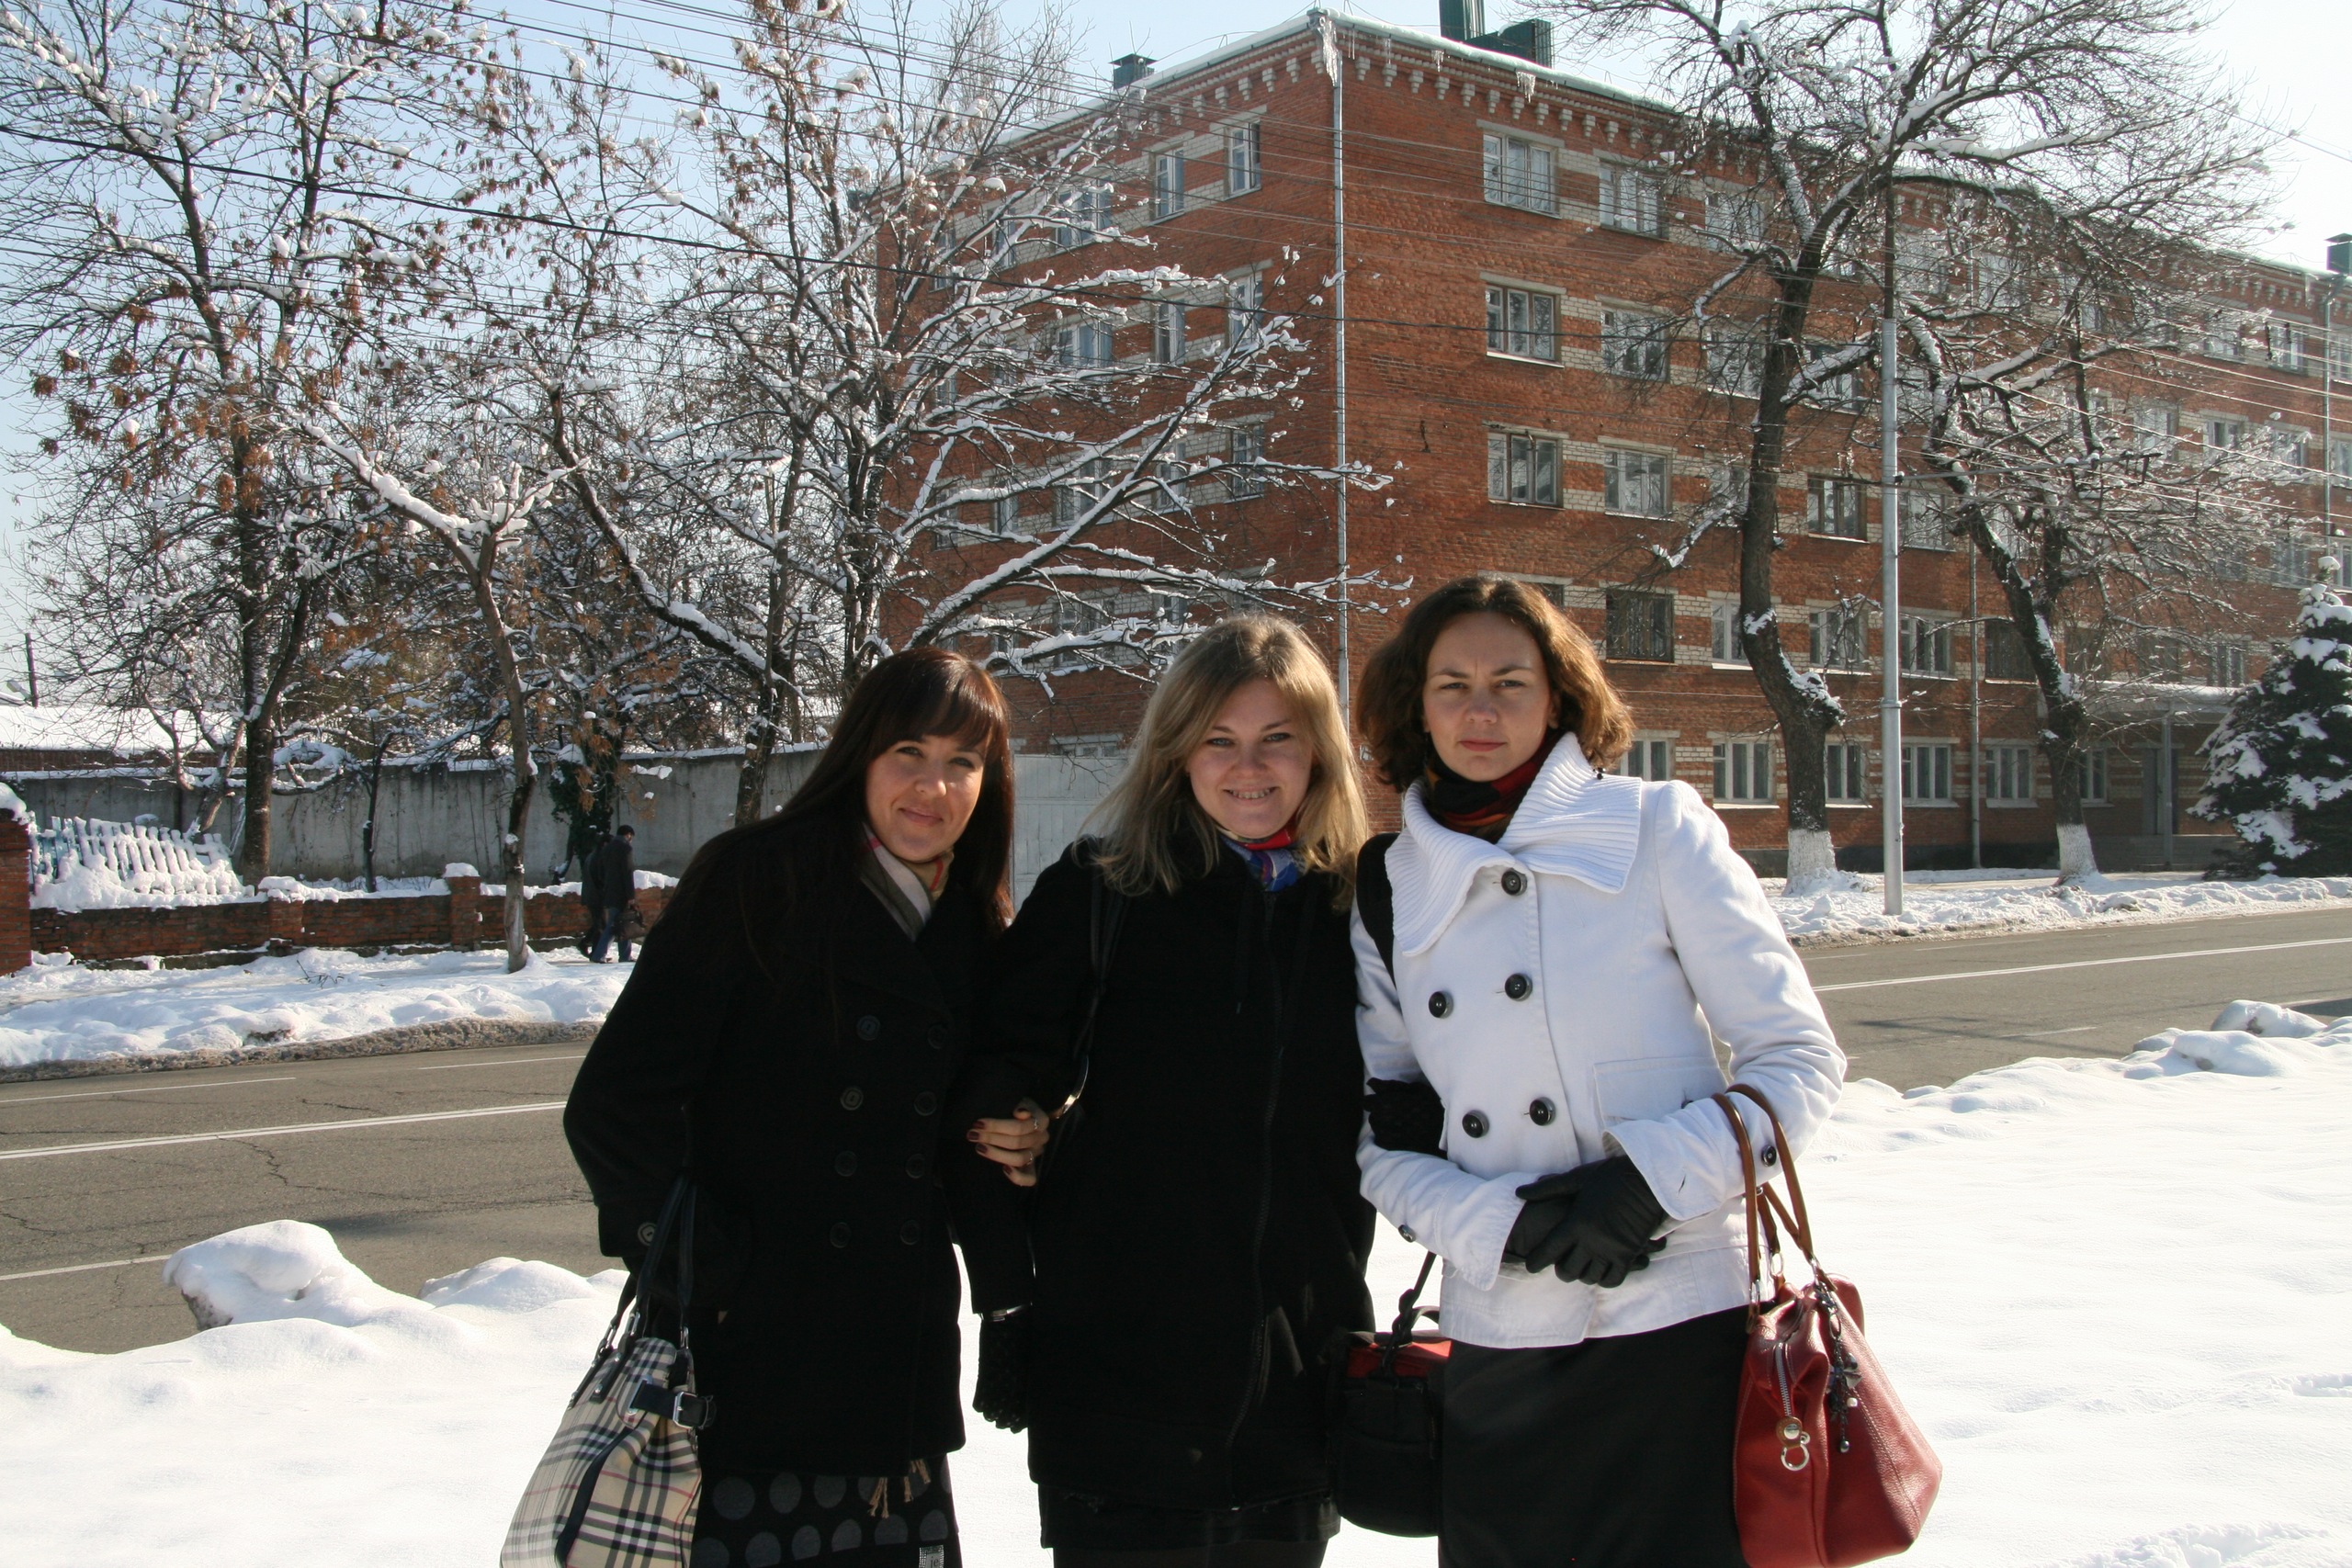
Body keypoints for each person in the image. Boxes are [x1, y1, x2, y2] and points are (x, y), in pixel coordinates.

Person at [1351, 574, 1846, 1568]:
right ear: (1416, 705)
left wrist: (1648, 1183)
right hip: (1501, 1342)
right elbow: (1384, 1129)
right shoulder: (1389, 883)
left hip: (1681, 1330)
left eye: (1510, 682)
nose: (1481, 711)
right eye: (1451, 685)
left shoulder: (1657, 826)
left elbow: (1798, 1060)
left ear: (1559, 697)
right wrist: (1493, 1222)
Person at [563, 649, 1046, 1568]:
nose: (933, 787)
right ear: (861, 754)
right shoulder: (757, 881)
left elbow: (955, 1134)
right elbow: (614, 1104)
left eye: (963, 762)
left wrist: (1024, 1143)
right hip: (744, 1367)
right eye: (909, 752)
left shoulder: (975, 926)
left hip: (893, 1370)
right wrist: (712, 1268)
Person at [950, 616, 1375, 1568]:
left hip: (1296, 1383)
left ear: (1319, 750)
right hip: (1119, 1383)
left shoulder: (1364, 908)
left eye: (1277, 738)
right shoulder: (1104, 890)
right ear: (1177, 752)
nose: (1248, 768)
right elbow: (995, 1071)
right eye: (1218, 740)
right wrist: (1015, 1130)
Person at [587, 824, 638, 963]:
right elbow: (627, 872)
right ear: (628, 835)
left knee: (623, 923)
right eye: (631, 837)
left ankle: (625, 955)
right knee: (615, 924)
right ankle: (599, 955)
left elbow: (601, 872)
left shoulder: (607, 848)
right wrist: (631, 896)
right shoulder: (625, 848)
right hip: (622, 893)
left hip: (609, 891)